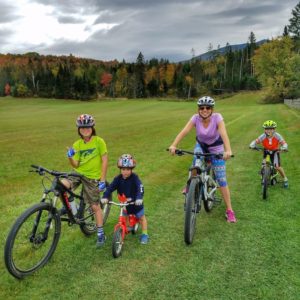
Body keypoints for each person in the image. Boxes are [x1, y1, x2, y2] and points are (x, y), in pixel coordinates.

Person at [168, 96, 236, 223]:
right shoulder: (195, 118)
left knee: (221, 180)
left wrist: (228, 150)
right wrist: (174, 145)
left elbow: (223, 134)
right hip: (201, 145)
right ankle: (190, 185)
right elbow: (184, 131)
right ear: (198, 109)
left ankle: (229, 210)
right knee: (196, 163)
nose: (204, 110)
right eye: (202, 108)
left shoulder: (217, 118)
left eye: (208, 108)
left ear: (212, 109)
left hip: (216, 148)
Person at [62, 114, 108, 248]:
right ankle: (71, 208)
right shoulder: (77, 144)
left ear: (92, 128)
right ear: (79, 130)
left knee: (94, 206)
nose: (85, 129)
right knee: (62, 185)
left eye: (87, 127)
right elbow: (75, 165)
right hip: (78, 174)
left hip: (92, 177)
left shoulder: (99, 141)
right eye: (82, 128)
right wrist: (70, 157)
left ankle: (100, 233)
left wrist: (103, 179)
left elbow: (104, 160)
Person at [101, 154, 149, 244]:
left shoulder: (135, 178)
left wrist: (139, 198)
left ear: (131, 169)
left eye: (128, 169)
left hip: (135, 203)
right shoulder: (118, 179)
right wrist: (105, 196)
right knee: (125, 217)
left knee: (141, 217)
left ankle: (145, 234)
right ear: (120, 169)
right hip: (124, 204)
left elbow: (140, 188)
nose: (125, 172)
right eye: (123, 169)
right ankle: (123, 231)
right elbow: (110, 188)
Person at [249, 120, 288, 188]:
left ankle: (285, 179)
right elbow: (256, 141)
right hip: (266, 151)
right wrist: (252, 144)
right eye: (267, 129)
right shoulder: (263, 136)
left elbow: (283, 143)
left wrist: (284, 147)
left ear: (274, 129)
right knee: (263, 165)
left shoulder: (277, 135)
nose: (268, 130)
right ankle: (264, 176)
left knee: (277, 167)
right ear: (264, 129)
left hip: (275, 152)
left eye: (271, 129)